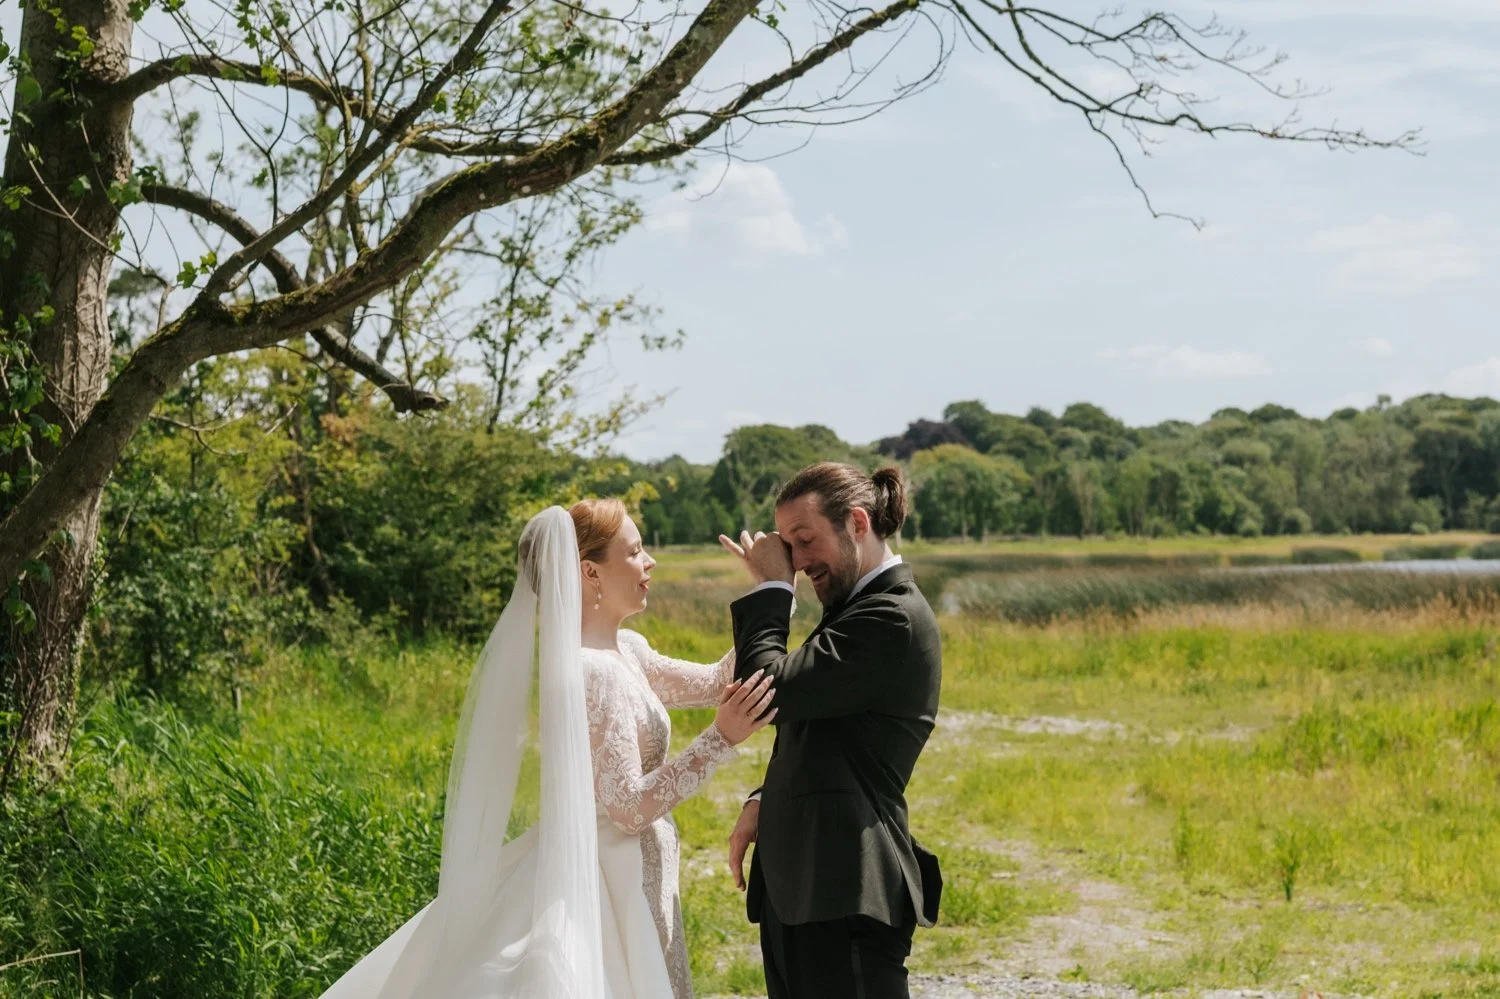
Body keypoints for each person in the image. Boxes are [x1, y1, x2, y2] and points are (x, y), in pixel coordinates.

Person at [320, 500, 774, 999]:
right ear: (589, 571)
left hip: (638, 868)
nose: (651, 563)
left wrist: (769, 590)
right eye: (635, 550)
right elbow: (625, 808)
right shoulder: (591, 671)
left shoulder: (628, 651)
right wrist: (718, 740)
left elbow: (717, 682)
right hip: (610, 879)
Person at [720, 463, 943, 999]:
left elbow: (767, 690)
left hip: (846, 889)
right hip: (809, 887)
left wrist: (774, 587)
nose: (797, 560)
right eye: (788, 547)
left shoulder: (891, 617)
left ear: (858, 523)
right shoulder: (854, 608)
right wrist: (764, 797)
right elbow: (822, 725)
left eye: (804, 539)